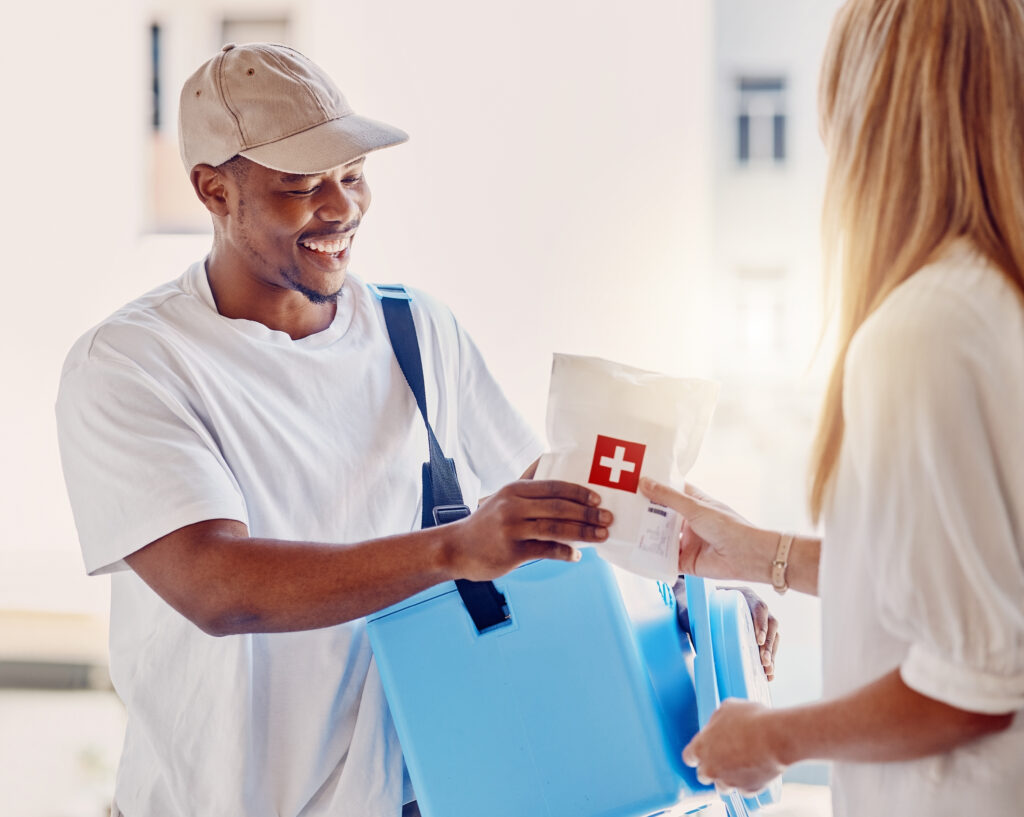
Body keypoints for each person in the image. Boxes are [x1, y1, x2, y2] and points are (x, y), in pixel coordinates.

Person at [54, 43, 615, 817]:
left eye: (352, 175)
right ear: (214, 191)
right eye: (301, 186)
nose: (342, 207)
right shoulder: (133, 363)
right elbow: (217, 586)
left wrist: (704, 592)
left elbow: (559, 507)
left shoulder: (418, 332)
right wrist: (455, 549)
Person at [640, 0, 1024, 813]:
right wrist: (760, 553)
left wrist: (774, 737)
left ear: (870, 106)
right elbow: (959, 575)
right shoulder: (990, 300)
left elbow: (980, 679)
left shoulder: (920, 333)